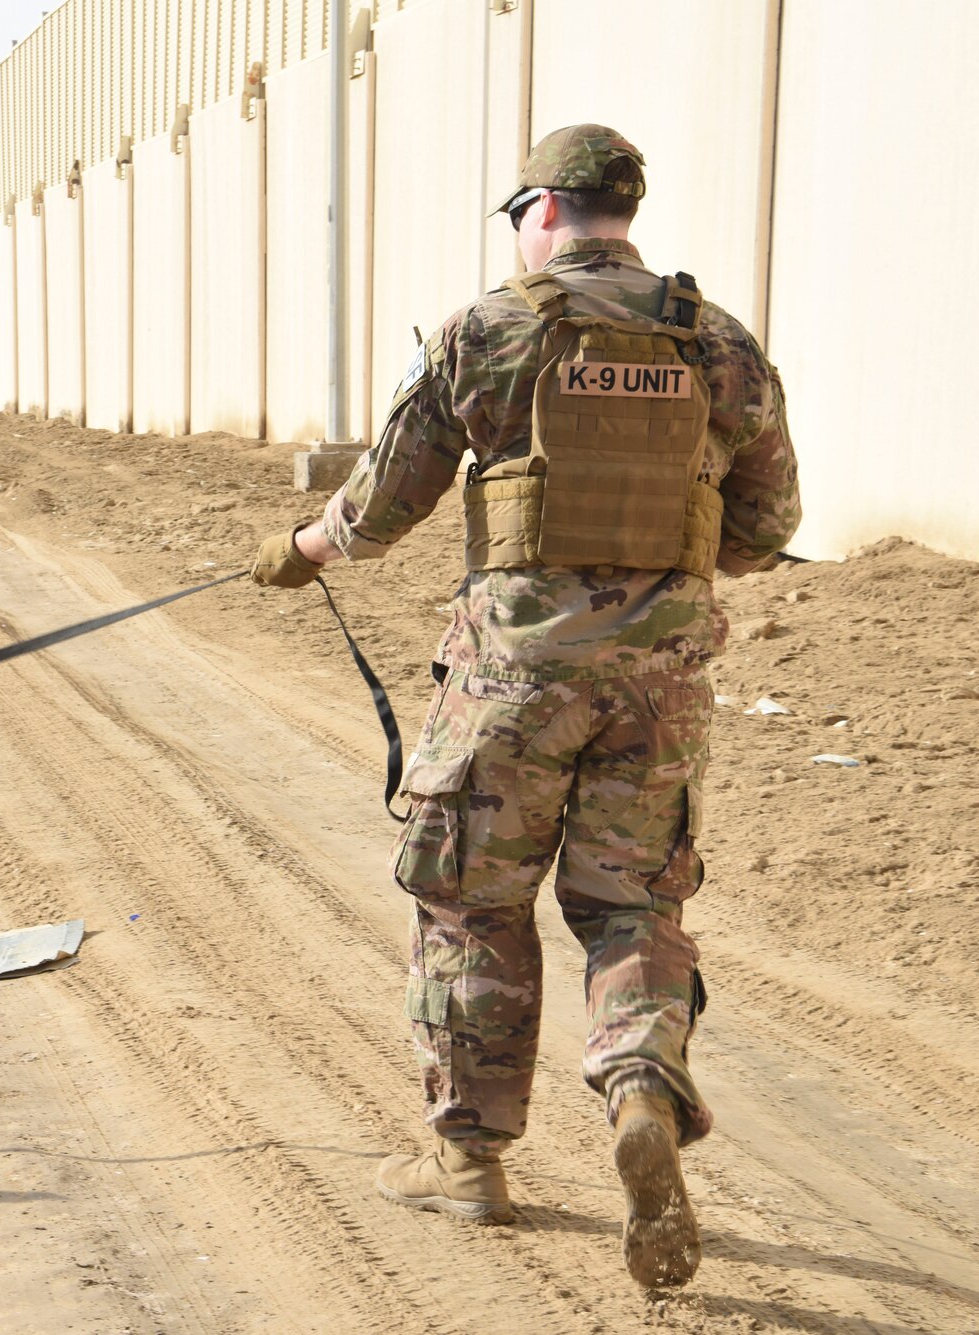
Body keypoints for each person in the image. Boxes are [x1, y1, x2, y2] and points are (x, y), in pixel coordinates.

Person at [250, 124, 800, 1287]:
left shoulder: (487, 329)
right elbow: (765, 530)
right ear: (623, 212)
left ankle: (467, 1161)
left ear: (541, 209)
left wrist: (293, 552)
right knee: (631, 907)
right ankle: (641, 1090)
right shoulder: (718, 343)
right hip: (658, 690)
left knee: (467, 904)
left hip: (508, 686)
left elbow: (377, 505)